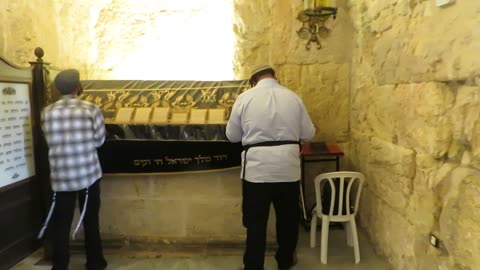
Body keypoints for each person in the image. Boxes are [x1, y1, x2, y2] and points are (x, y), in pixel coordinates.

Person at [226, 64, 315, 270]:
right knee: (287, 220)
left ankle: (253, 266)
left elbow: (232, 136)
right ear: (275, 76)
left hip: (257, 171)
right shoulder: (293, 97)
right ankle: (285, 263)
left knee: (256, 223)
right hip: (288, 169)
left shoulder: (245, 98)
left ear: (253, 81)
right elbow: (309, 134)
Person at [39, 69, 108, 270]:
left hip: (61, 176)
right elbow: (99, 140)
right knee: (91, 221)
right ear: (78, 87)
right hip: (88, 175)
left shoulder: (47, 112)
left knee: (62, 222)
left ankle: (60, 265)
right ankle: (95, 263)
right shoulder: (90, 109)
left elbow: (48, 140)